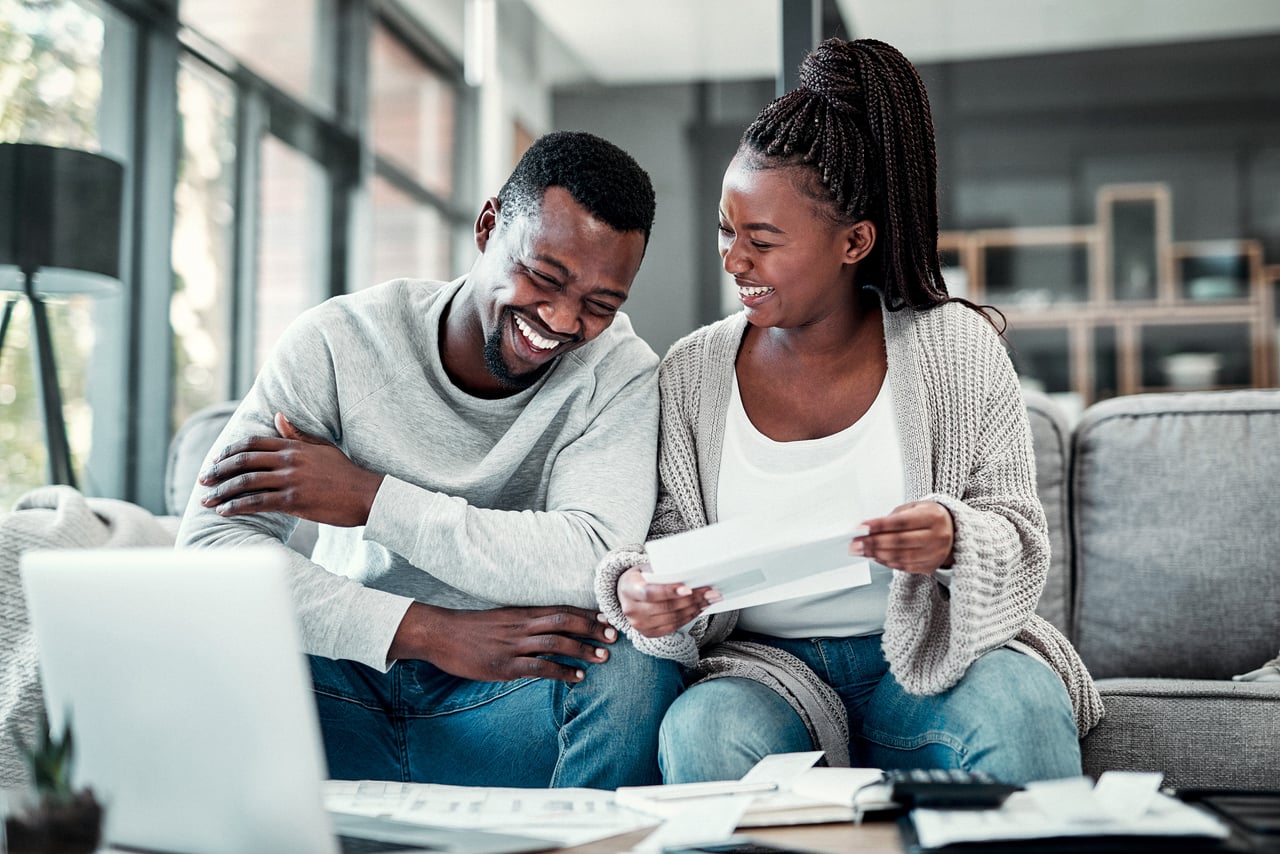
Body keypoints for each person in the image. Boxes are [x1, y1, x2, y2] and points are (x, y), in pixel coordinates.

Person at [594, 39, 1104, 786]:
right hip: (764, 671)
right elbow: (666, 544)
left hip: (932, 653)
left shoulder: (956, 348)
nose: (734, 259)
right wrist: (648, 596)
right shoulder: (691, 371)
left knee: (1018, 704)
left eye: (762, 241)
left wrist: (954, 537)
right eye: (725, 229)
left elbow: (1020, 535)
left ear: (854, 242)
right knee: (703, 728)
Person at [178, 130, 683, 789]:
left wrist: (370, 498)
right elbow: (211, 545)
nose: (560, 321)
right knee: (186, 638)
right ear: (487, 226)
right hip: (340, 684)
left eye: (598, 305)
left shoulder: (618, 373)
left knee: (634, 665)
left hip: (501, 707)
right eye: (543, 277)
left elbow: (593, 559)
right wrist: (425, 631)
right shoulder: (338, 344)